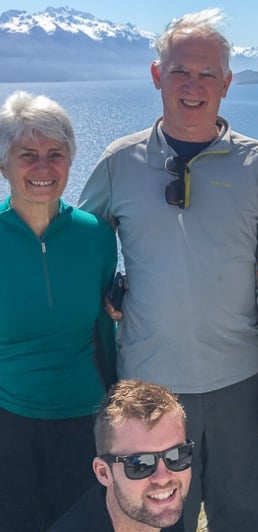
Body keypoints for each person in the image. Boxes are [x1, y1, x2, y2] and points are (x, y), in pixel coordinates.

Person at [78, 9, 258, 532]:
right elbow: (81, 242)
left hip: (239, 385)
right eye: (180, 71)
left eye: (206, 74)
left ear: (226, 82)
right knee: (158, 521)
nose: (193, 86)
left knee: (242, 517)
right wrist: (107, 285)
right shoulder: (119, 161)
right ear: (158, 76)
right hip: (147, 388)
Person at [0, 91, 117, 531]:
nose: (44, 168)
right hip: (9, 423)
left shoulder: (96, 236)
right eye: (27, 155)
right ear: (3, 164)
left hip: (84, 423)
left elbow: (106, 333)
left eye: (56, 154)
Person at [48, 379, 191, 532]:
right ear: (104, 473)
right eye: (140, 464)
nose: (163, 478)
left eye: (176, 456)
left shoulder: (161, 507)